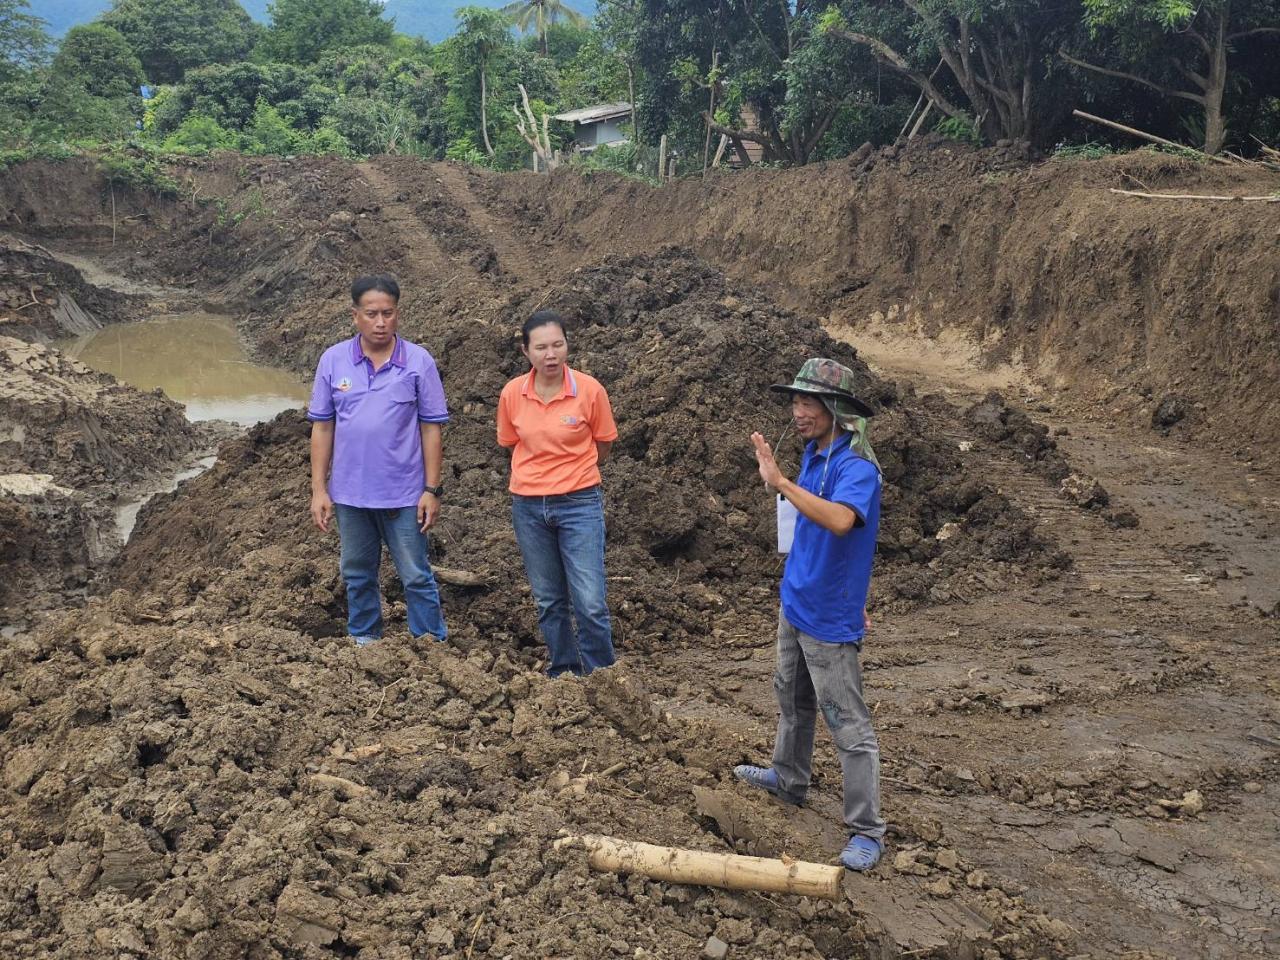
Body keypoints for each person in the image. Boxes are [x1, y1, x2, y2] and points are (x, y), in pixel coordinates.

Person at [733, 358, 887, 871]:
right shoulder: (813, 454)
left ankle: (866, 830)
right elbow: (810, 527)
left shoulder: (857, 467)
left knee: (849, 726)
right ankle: (789, 778)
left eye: (808, 402)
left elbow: (843, 521)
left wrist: (779, 483)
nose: (798, 411)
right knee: (792, 700)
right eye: (795, 401)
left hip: (828, 617)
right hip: (796, 600)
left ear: (836, 410)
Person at [307, 274, 450, 645]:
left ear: (398, 314)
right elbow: (323, 428)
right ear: (356, 316)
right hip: (351, 496)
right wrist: (319, 489)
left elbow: (431, 429)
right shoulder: (333, 360)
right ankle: (365, 640)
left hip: (403, 495)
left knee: (416, 574)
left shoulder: (419, 362)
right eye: (372, 314)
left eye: (388, 313)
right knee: (356, 572)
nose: (381, 322)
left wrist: (431, 489)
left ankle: (430, 642)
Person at [497, 310, 618, 677]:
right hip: (529, 507)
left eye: (557, 345)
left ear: (567, 345)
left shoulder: (590, 390)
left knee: (590, 601)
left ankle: (602, 677)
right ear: (526, 351)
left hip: (579, 503)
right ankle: (564, 671)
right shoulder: (512, 394)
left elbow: (604, 444)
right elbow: (510, 443)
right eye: (541, 347)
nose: (551, 354)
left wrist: (572, 474)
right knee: (549, 599)